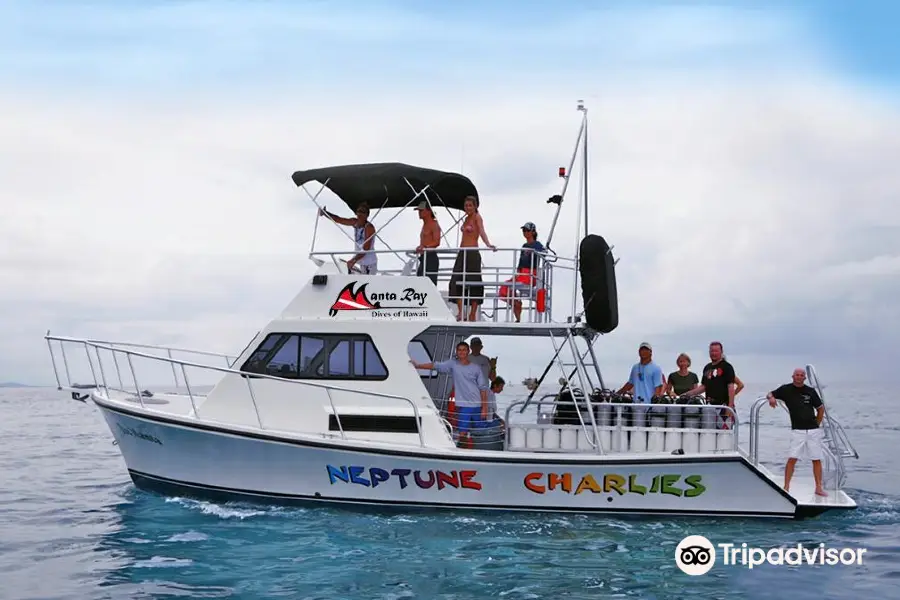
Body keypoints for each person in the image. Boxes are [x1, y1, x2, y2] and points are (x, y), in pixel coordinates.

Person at [410, 341, 489, 447]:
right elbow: (436, 365)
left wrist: (484, 408)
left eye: (464, 350)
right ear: (456, 352)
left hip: (477, 405)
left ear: (468, 351)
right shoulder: (453, 364)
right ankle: (463, 454)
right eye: (459, 350)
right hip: (464, 405)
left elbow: (483, 389)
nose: (461, 352)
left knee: (481, 430)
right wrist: (418, 366)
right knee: (462, 433)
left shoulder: (476, 368)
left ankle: (483, 449)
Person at [767, 368, 827, 496]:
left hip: (813, 430)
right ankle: (786, 486)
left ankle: (818, 487)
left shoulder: (810, 391)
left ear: (804, 378)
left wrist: (817, 423)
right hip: (797, 431)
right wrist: (771, 399)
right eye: (797, 375)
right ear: (792, 377)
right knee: (792, 458)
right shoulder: (786, 389)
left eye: (801, 375)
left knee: (816, 459)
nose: (799, 377)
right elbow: (770, 393)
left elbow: (820, 409)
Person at [448, 195, 496, 321]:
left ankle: (472, 313)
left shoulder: (477, 217)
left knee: (474, 282)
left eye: (470, 205)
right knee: (455, 280)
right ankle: (461, 312)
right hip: (462, 252)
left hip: (473, 252)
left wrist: (488, 244)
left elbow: (481, 231)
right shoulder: (466, 218)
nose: (467, 208)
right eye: (466, 206)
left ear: (475, 206)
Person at [499, 222, 546, 322]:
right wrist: (518, 272)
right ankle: (516, 304)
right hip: (522, 273)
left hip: (531, 274)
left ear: (533, 232)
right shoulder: (524, 245)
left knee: (511, 286)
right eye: (524, 230)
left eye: (527, 230)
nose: (525, 232)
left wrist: (540, 251)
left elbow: (544, 252)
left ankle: (516, 305)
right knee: (503, 288)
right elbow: (520, 262)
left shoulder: (537, 245)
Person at [683, 342, 736, 426]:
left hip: (723, 407)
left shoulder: (727, 367)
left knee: (724, 436)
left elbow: (731, 388)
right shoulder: (707, 367)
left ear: (721, 352)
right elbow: (704, 387)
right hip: (709, 407)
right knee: (709, 434)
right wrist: (686, 394)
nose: (713, 353)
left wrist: (730, 407)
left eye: (716, 351)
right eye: (711, 351)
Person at [319, 203, 377, 274]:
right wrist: (325, 213)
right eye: (358, 211)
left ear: (367, 215)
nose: (359, 214)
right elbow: (339, 219)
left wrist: (353, 260)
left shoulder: (369, 228)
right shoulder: (355, 222)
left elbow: (366, 249)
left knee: (368, 282)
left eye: (362, 212)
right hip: (361, 262)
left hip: (369, 264)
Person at [414, 200, 441, 285]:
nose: (419, 212)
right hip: (423, 257)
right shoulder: (425, 225)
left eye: (421, 210)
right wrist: (421, 247)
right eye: (419, 210)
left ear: (428, 211)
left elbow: (437, 242)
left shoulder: (434, 224)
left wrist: (425, 247)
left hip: (430, 257)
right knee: (419, 282)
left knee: (429, 284)